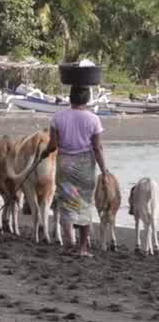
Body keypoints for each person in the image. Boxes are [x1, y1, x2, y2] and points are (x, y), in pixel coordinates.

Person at [43, 85, 110, 257]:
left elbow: (53, 145)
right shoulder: (94, 119)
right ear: (87, 100)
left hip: (65, 164)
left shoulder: (58, 117)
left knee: (67, 204)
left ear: (70, 98)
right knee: (85, 204)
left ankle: (68, 246)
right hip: (86, 166)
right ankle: (82, 248)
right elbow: (97, 148)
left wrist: (45, 152)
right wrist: (105, 172)